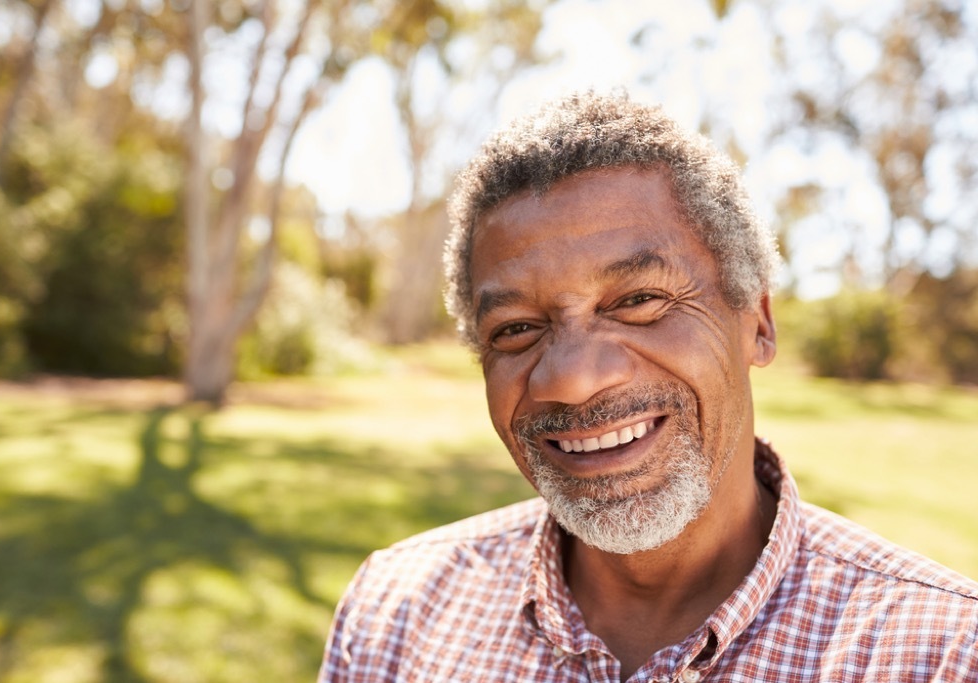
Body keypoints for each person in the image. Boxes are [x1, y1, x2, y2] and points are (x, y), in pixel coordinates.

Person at [318, 91, 978, 682]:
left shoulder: (944, 654)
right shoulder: (396, 617)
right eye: (517, 328)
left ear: (759, 322)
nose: (573, 379)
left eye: (639, 298)